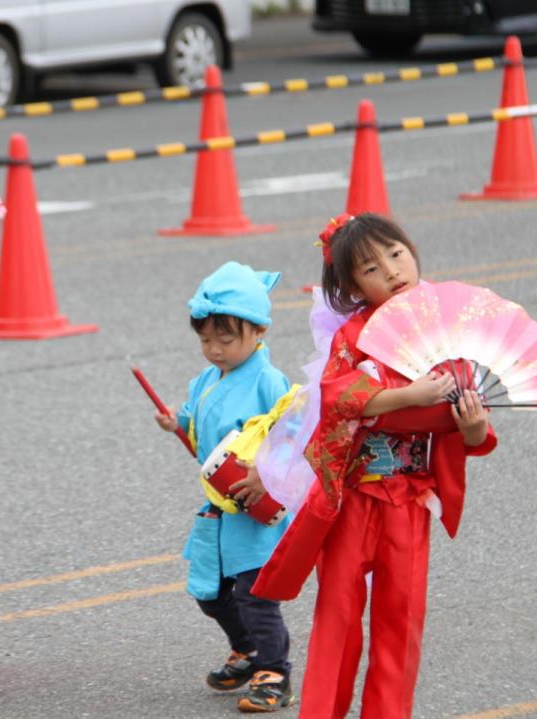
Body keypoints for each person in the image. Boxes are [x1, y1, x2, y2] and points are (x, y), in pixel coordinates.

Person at [251, 213, 496, 719]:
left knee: (400, 622)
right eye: (370, 266)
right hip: (352, 500)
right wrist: (405, 395)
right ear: (350, 285)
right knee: (337, 617)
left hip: (409, 500)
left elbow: (470, 428)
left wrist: (472, 429)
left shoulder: (447, 331)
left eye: (396, 253)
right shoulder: (354, 335)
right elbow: (337, 394)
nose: (391, 270)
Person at [154, 261, 296, 713]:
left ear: (259, 331)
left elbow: (292, 434)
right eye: (205, 340)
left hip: (257, 505)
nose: (214, 349)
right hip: (218, 504)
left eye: (226, 339)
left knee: (255, 595)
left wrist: (268, 474)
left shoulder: (269, 380)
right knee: (211, 592)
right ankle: (247, 650)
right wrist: (175, 420)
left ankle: (275, 671)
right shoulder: (207, 379)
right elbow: (195, 417)